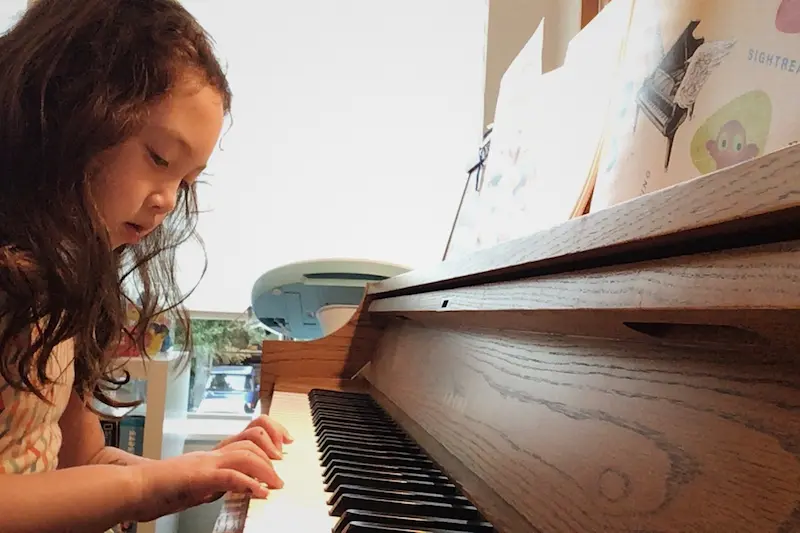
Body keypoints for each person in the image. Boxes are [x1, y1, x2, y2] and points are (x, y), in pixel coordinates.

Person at [0, 1, 292, 531]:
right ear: (68, 111)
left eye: (186, 181)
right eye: (159, 158)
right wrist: (145, 486)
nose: (166, 200)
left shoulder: (61, 285)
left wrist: (194, 472)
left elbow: (83, 461)